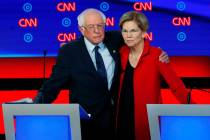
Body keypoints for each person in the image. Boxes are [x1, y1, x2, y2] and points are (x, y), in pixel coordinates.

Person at [33, 8, 168, 140]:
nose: (97, 31)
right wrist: (34, 107)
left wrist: (159, 53)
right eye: (91, 27)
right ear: (82, 29)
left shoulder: (115, 39)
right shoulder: (69, 52)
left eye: (100, 25)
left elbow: (138, 41)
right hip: (86, 125)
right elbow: (53, 84)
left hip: (116, 121)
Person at [115, 11, 189, 140]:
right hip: (121, 119)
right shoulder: (121, 53)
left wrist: (197, 110)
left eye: (133, 31)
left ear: (144, 33)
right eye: (125, 31)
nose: (128, 35)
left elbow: (177, 86)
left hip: (147, 122)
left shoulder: (157, 55)